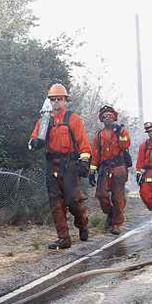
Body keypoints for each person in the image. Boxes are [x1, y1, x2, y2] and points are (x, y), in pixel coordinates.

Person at [29, 83, 92, 249]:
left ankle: (82, 223)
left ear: (65, 100)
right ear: (49, 101)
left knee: (73, 200)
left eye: (59, 99)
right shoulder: (44, 121)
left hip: (69, 164)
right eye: (53, 99)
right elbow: (33, 139)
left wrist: (85, 160)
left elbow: (83, 142)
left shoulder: (73, 119)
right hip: (52, 164)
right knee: (55, 203)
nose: (56, 102)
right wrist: (34, 143)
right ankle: (63, 238)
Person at [89, 104, 131, 235]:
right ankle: (111, 213)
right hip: (104, 168)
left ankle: (116, 223)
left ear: (114, 118)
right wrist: (92, 170)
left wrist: (120, 132)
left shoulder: (121, 131)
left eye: (110, 116)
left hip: (119, 168)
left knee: (118, 197)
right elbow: (95, 153)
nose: (107, 118)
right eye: (105, 116)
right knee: (101, 194)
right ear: (102, 119)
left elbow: (125, 145)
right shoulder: (98, 135)